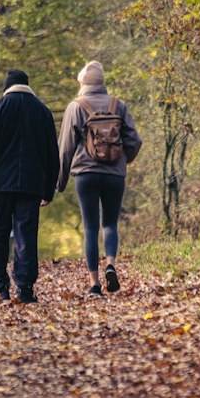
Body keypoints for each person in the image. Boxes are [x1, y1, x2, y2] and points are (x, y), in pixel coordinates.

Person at [0, 68, 60, 304]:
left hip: (0, 185)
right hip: (31, 186)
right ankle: (25, 288)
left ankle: (0, 287)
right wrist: (49, 189)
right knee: (26, 235)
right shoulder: (42, 112)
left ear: (6, 87)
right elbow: (53, 155)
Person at [57, 60, 142, 296]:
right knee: (110, 223)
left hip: (85, 174)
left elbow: (64, 149)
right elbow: (135, 141)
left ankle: (95, 284)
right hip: (115, 174)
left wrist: (59, 183)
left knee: (91, 227)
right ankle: (111, 265)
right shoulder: (118, 105)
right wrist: (122, 161)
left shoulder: (76, 106)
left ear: (83, 83)